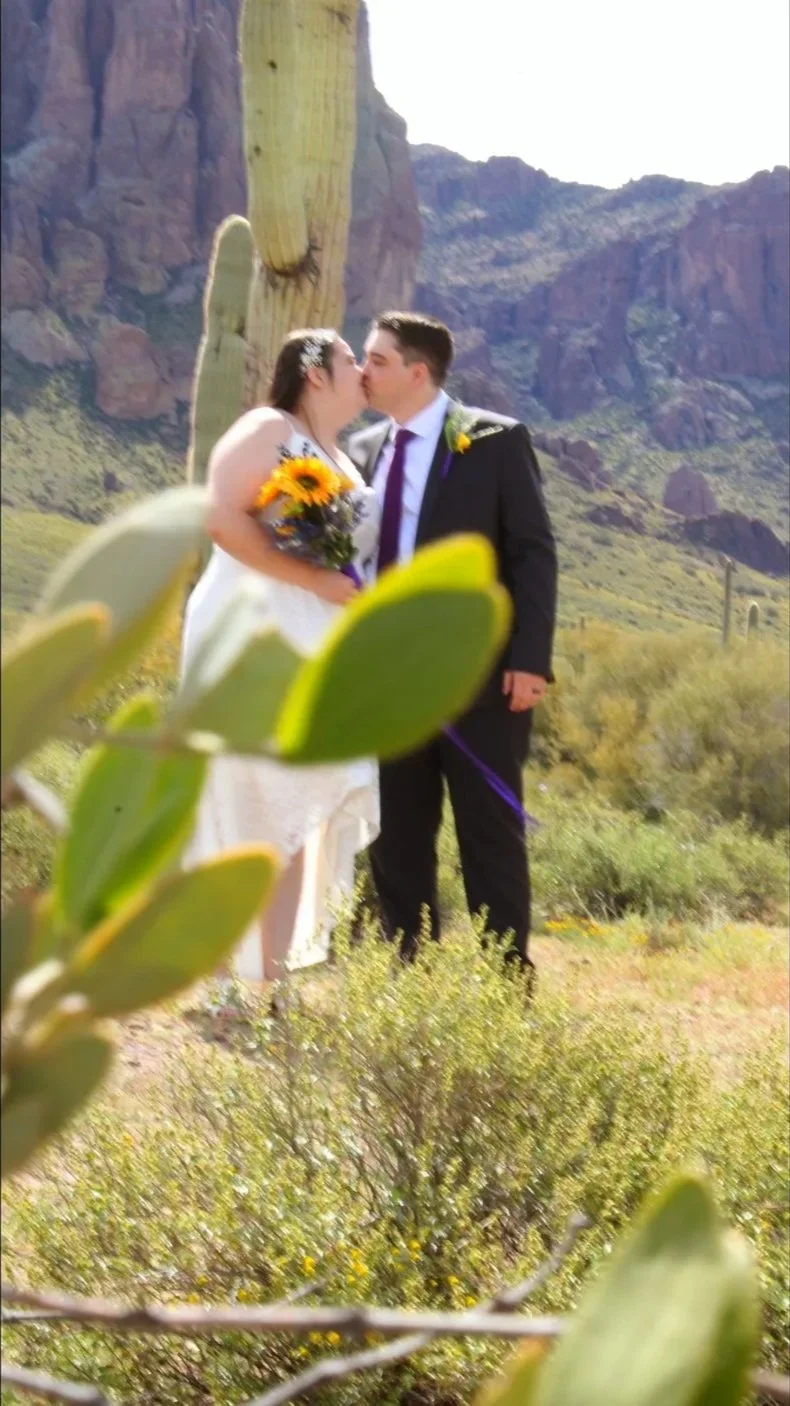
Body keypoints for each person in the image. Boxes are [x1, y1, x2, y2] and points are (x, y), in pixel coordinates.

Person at [349, 312, 557, 976]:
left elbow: (532, 554)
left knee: (488, 836)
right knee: (398, 838)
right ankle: (409, 980)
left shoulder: (495, 440)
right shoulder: (361, 452)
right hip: (387, 684)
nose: (362, 371)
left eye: (376, 360)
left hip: (483, 682)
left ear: (417, 371)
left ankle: (504, 988)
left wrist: (530, 660)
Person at [180, 329, 380, 996]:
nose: (364, 370)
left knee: (294, 810)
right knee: (243, 798)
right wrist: (308, 579)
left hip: (313, 647)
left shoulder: (341, 458)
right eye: (355, 359)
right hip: (252, 635)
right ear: (317, 372)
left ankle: (268, 984)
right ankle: (228, 983)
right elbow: (220, 517)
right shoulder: (268, 428)